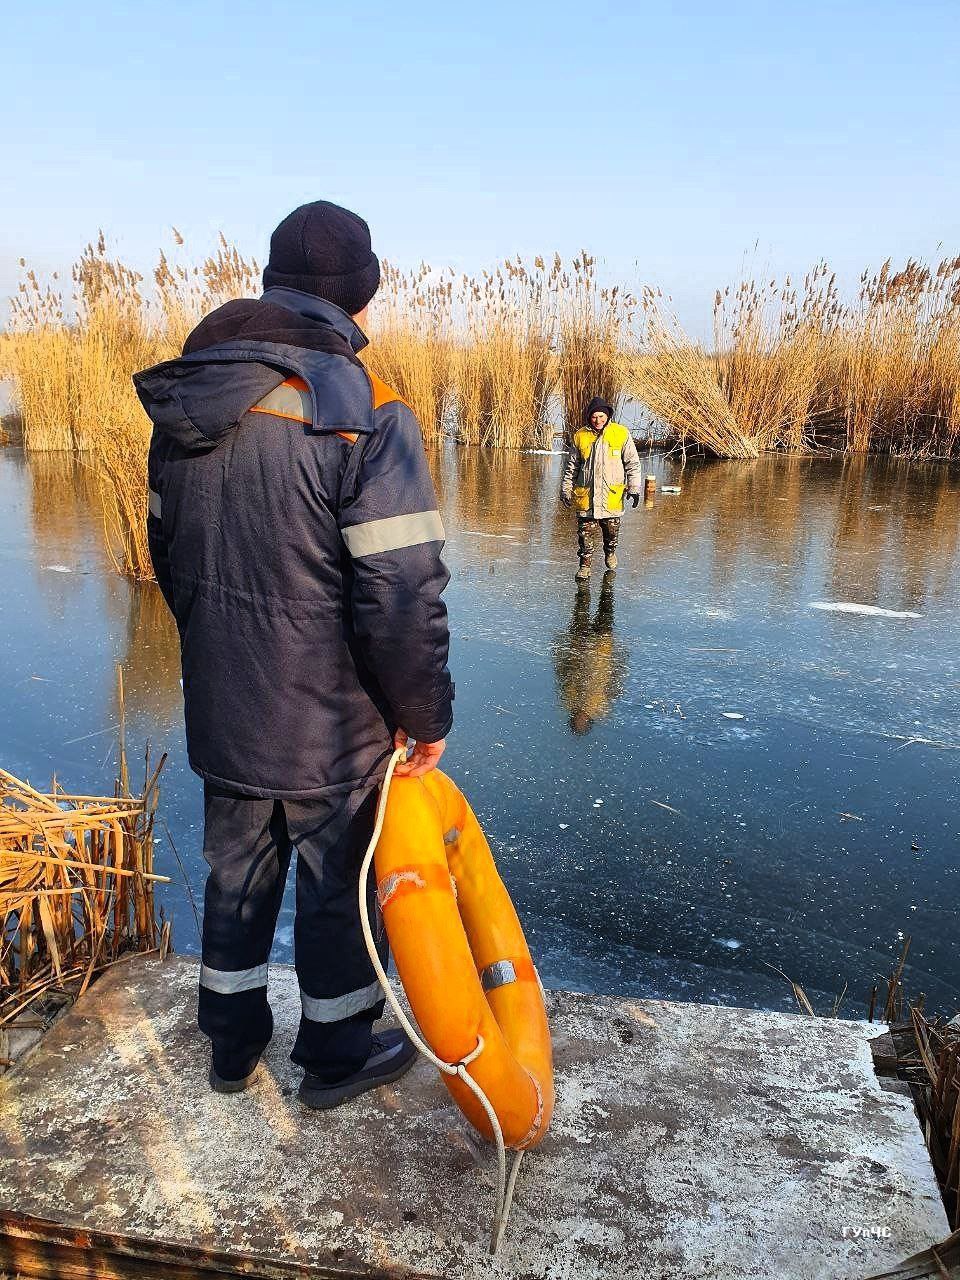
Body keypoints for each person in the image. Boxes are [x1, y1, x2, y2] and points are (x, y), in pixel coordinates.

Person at [134, 201, 454, 1109]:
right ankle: (337, 1056)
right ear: (360, 299)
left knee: (236, 872)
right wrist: (424, 716)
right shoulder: (366, 414)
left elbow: (167, 556)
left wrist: (222, 651)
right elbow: (400, 593)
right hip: (331, 722)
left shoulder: (190, 404)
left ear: (273, 285)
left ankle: (231, 1049)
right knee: (336, 891)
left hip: (226, 704)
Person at [560, 396, 642, 581]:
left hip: (611, 496)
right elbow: (571, 467)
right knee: (585, 536)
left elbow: (632, 463)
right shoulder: (580, 435)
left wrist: (634, 487)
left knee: (611, 533)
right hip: (586, 497)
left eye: (601, 417)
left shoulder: (620, 433)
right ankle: (584, 566)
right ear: (589, 417)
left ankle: (610, 552)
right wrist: (566, 489)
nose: (598, 420)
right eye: (594, 417)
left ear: (607, 416)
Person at [552, 573, 627, 735]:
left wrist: (564, 649)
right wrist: (619, 658)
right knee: (606, 610)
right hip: (602, 650)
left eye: (577, 722)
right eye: (582, 722)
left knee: (581, 610)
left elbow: (563, 672)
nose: (580, 718)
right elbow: (614, 679)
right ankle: (607, 585)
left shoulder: (567, 701)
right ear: (588, 720)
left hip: (579, 646)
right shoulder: (601, 706)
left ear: (572, 718)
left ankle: (584, 585)